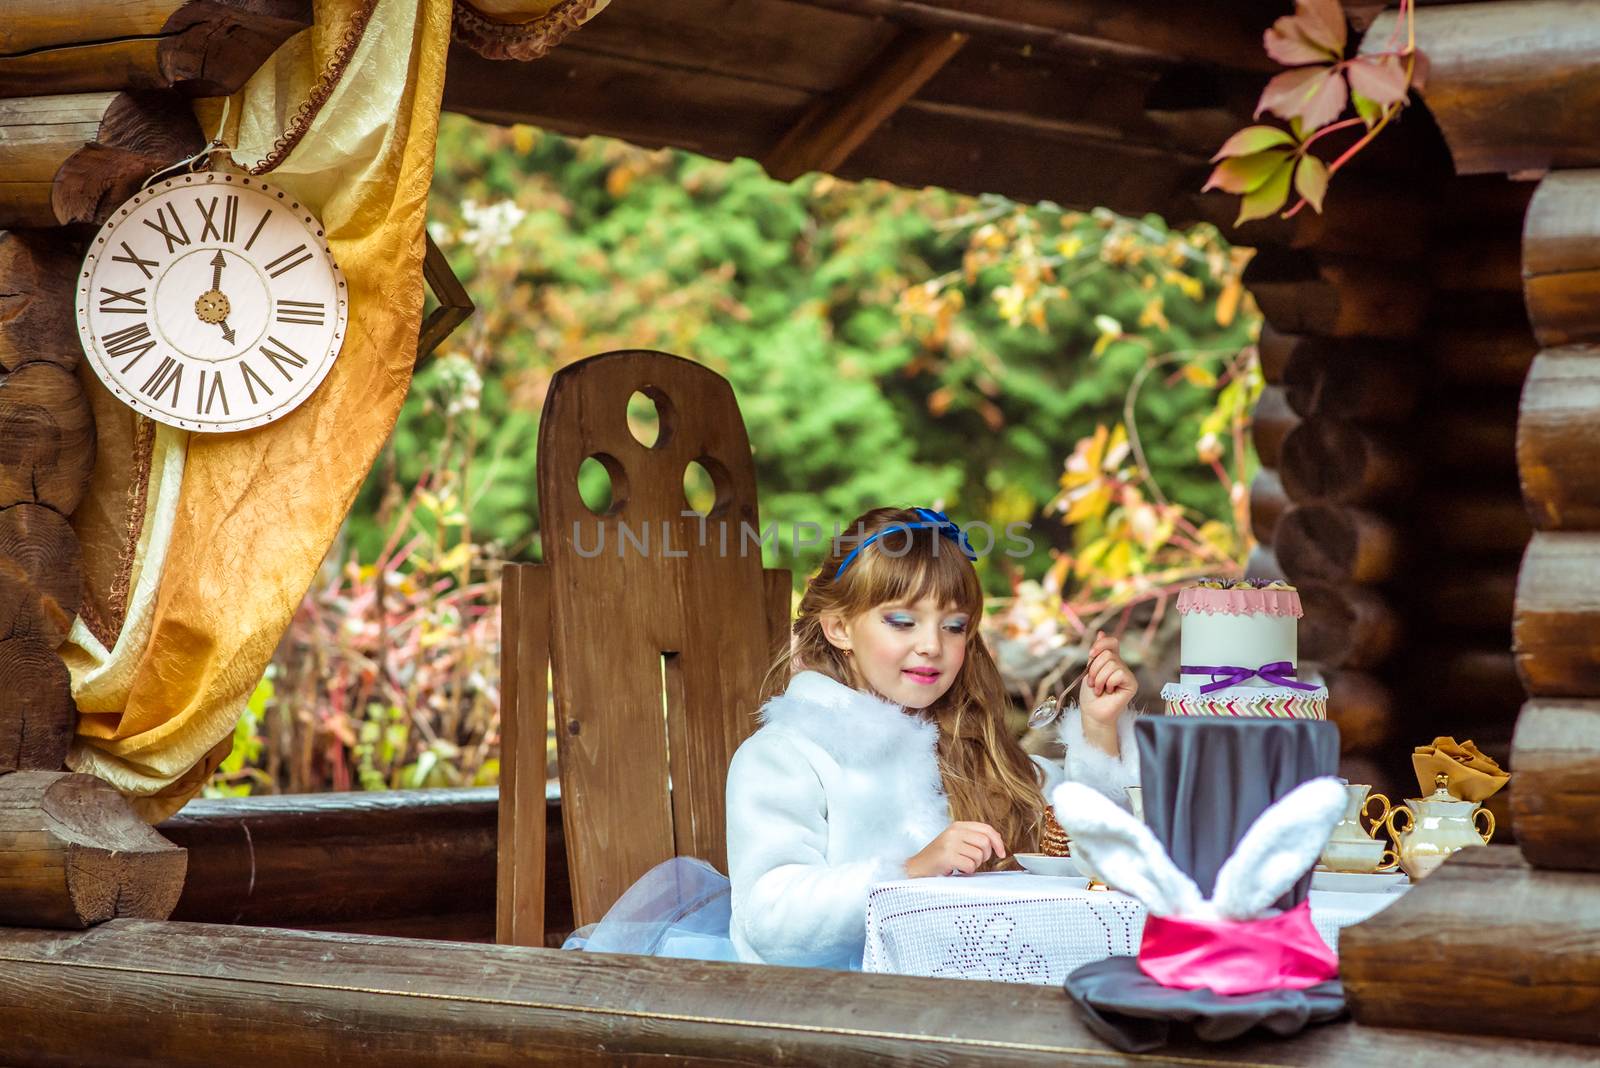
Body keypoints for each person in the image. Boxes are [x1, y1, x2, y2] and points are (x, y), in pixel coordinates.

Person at [566, 506, 1142, 968]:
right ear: (840, 627)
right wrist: (909, 871)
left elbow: (1092, 859)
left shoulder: (976, 748)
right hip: (826, 1016)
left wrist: (1097, 733)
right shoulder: (786, 756)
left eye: (954, 625)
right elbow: (771, 921)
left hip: (970, 1006)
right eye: (902, 621)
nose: (932, 646)